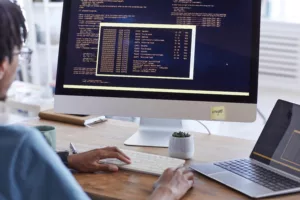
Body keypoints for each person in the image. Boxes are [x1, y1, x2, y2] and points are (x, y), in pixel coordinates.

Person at [0, 1, 194, 200]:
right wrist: (166, 192)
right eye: (20, 54)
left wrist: (67, 160)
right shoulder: (19, 145)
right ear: (2, 67)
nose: (20, 62)